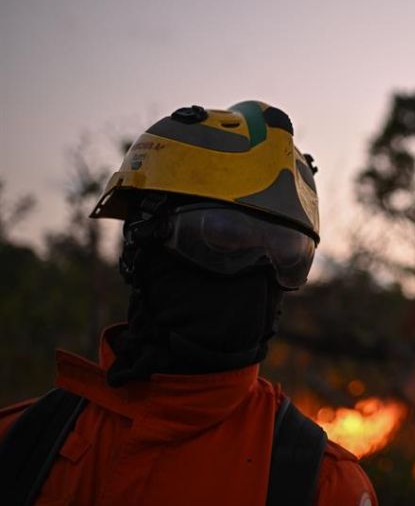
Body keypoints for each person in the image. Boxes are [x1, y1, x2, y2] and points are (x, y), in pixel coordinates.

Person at [0, 101, 378, 506]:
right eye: (223, 235)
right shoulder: (22, 443)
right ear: (141, 243)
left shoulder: (322, 484)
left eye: (287, 252)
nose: (257, 273)